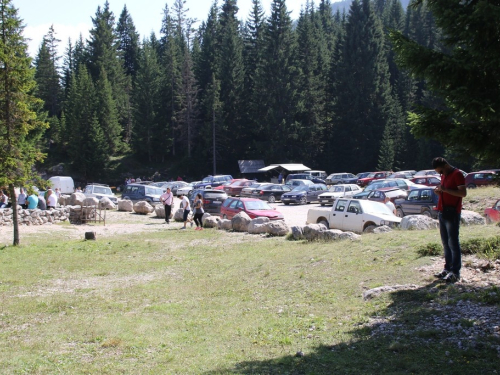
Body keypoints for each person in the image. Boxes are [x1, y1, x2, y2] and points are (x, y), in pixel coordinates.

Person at [432, 157, 467, 283]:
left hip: (452, 212)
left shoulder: (457, 174)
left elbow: (462, 193)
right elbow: (446, 191)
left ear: (445, 165)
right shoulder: (444, 175)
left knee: (453, 242)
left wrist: (445, 190)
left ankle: (455, 271)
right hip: (442, 211)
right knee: (445, 242)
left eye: (441, 171)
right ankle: (447, 268)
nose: (440, 174)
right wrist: (439, 192)